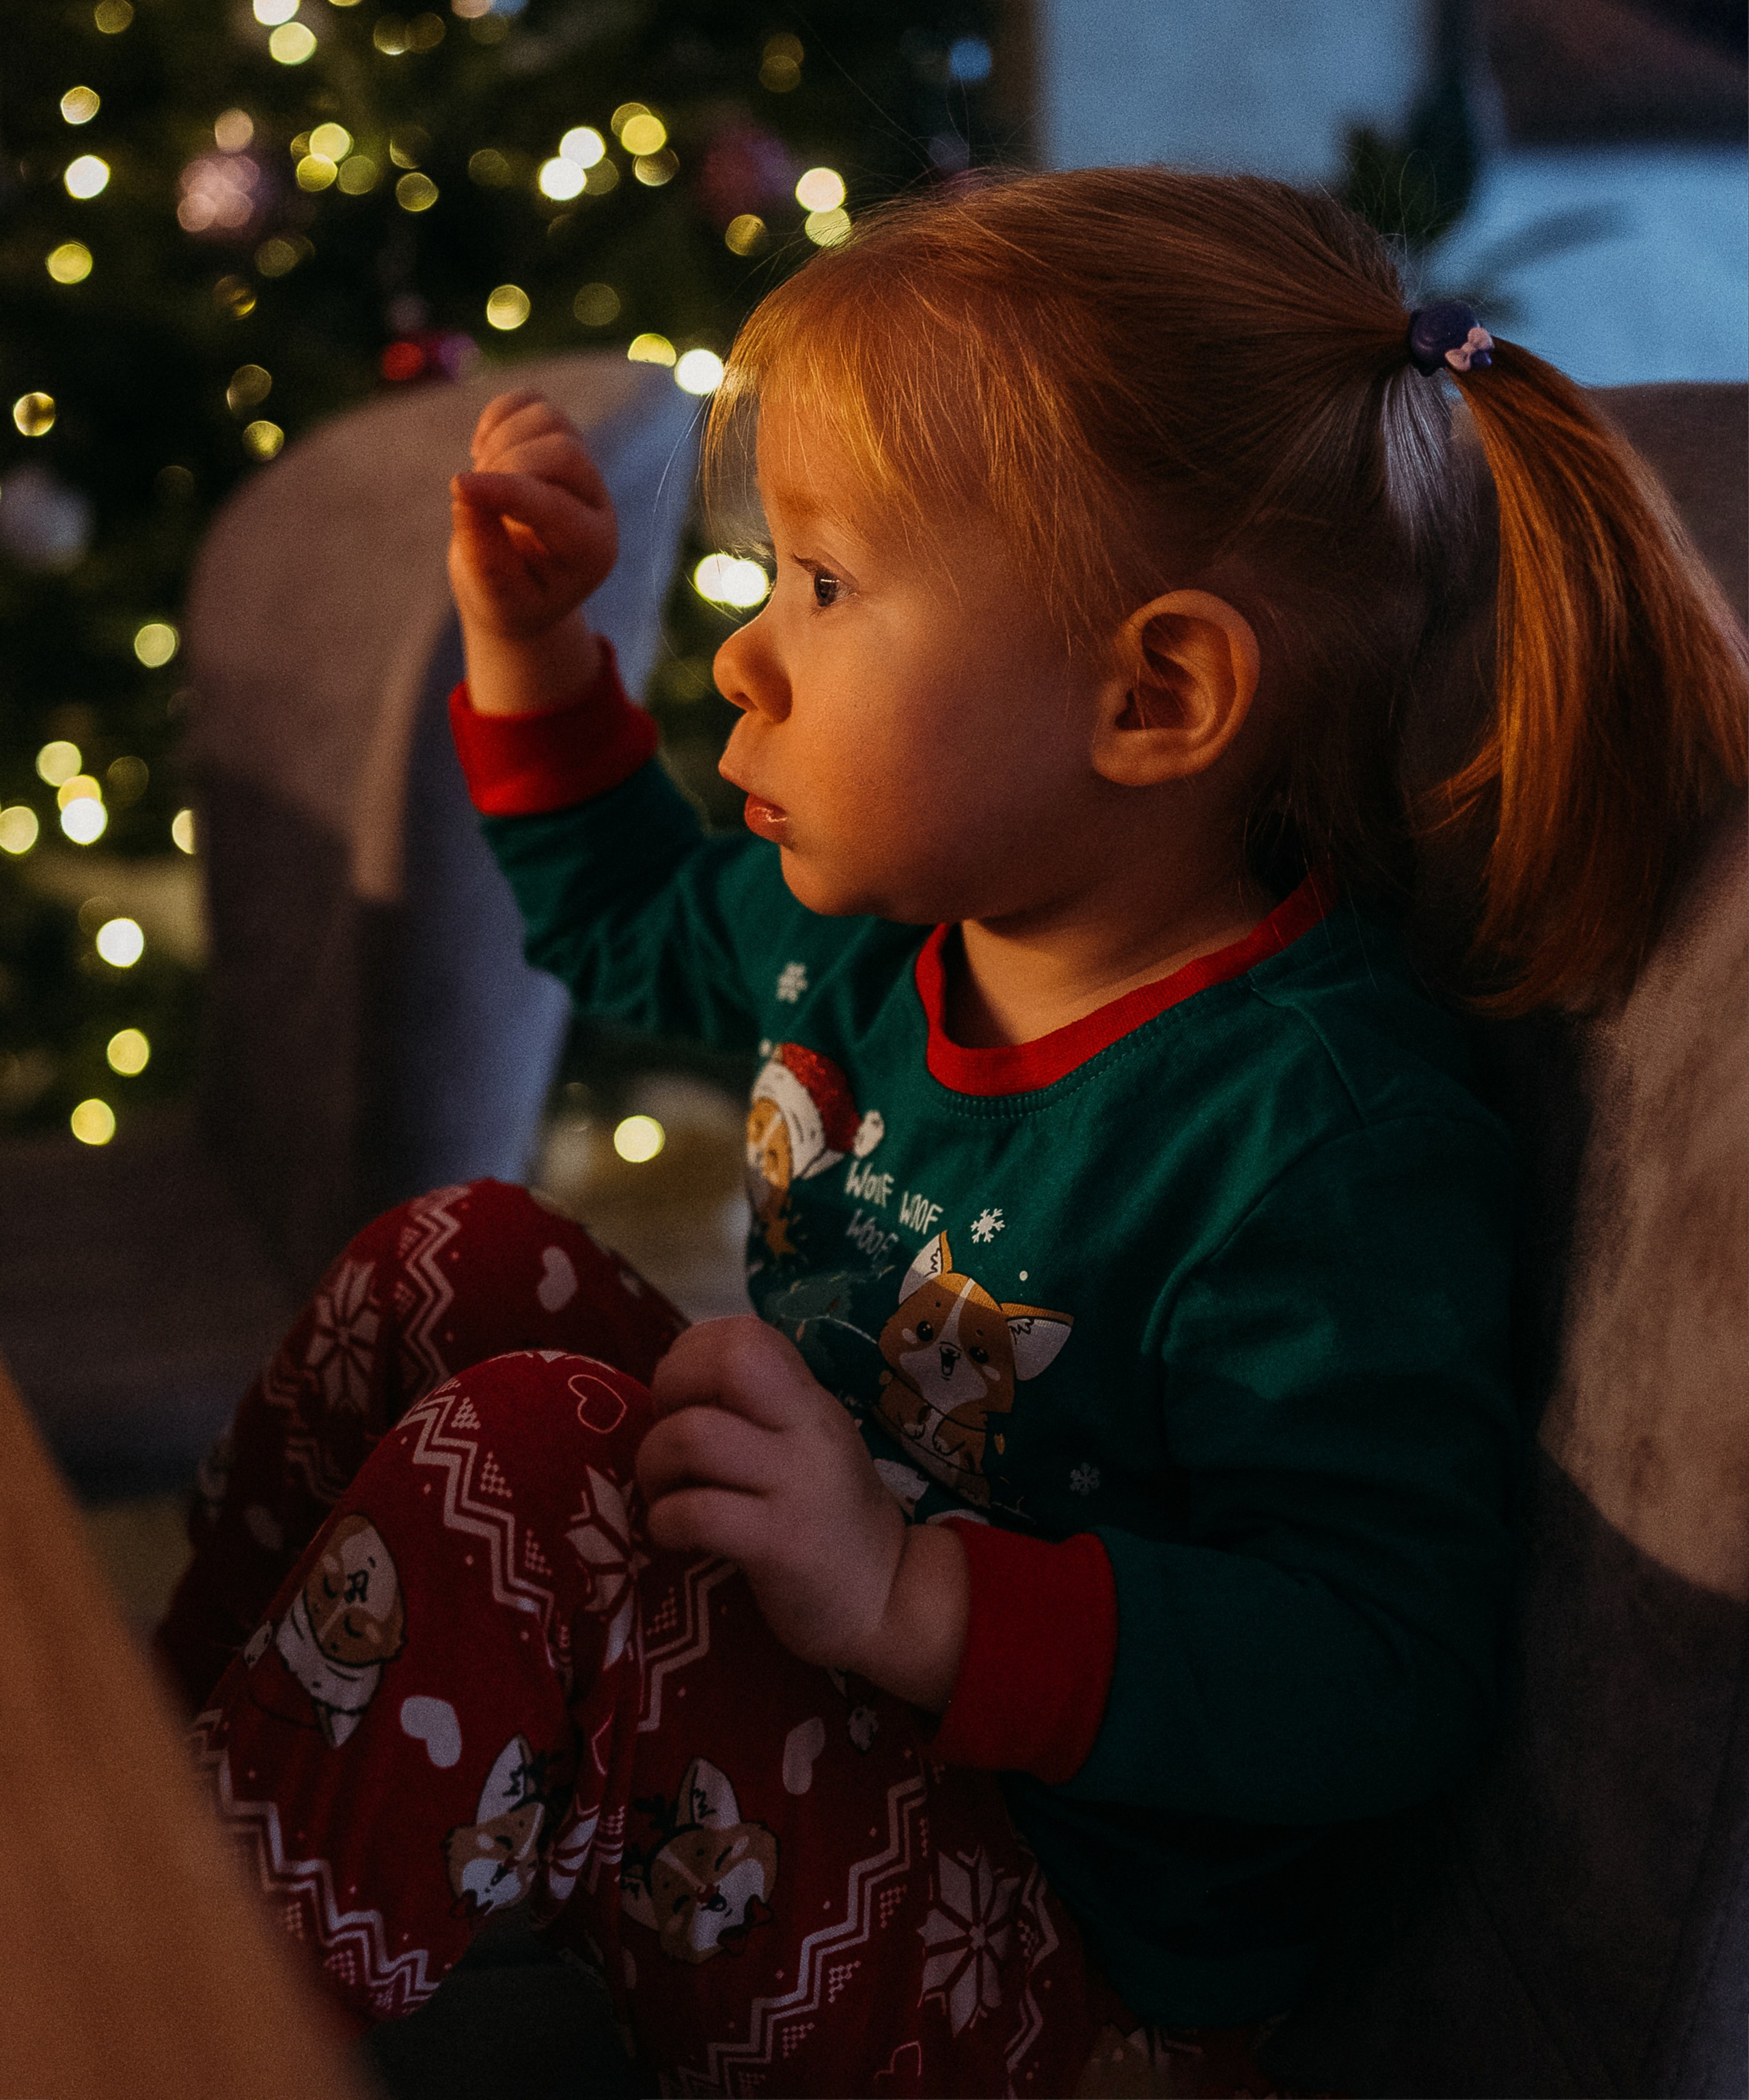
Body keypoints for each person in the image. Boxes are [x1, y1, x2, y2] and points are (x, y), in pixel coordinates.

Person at [159, 170, 1747, 2098]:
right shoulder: (884, 917)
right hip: (830, 1708)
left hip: (1079, 1975)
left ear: (1155, 695)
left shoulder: (1315, 1138)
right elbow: (620, 923)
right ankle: (160, 1813)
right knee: (461, 1261)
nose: (744, 654)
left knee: (541, 1460)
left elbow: (1378, 1671)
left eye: (823, 588)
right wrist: (531, 653)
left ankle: (165, 2023)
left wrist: (918, 1601)